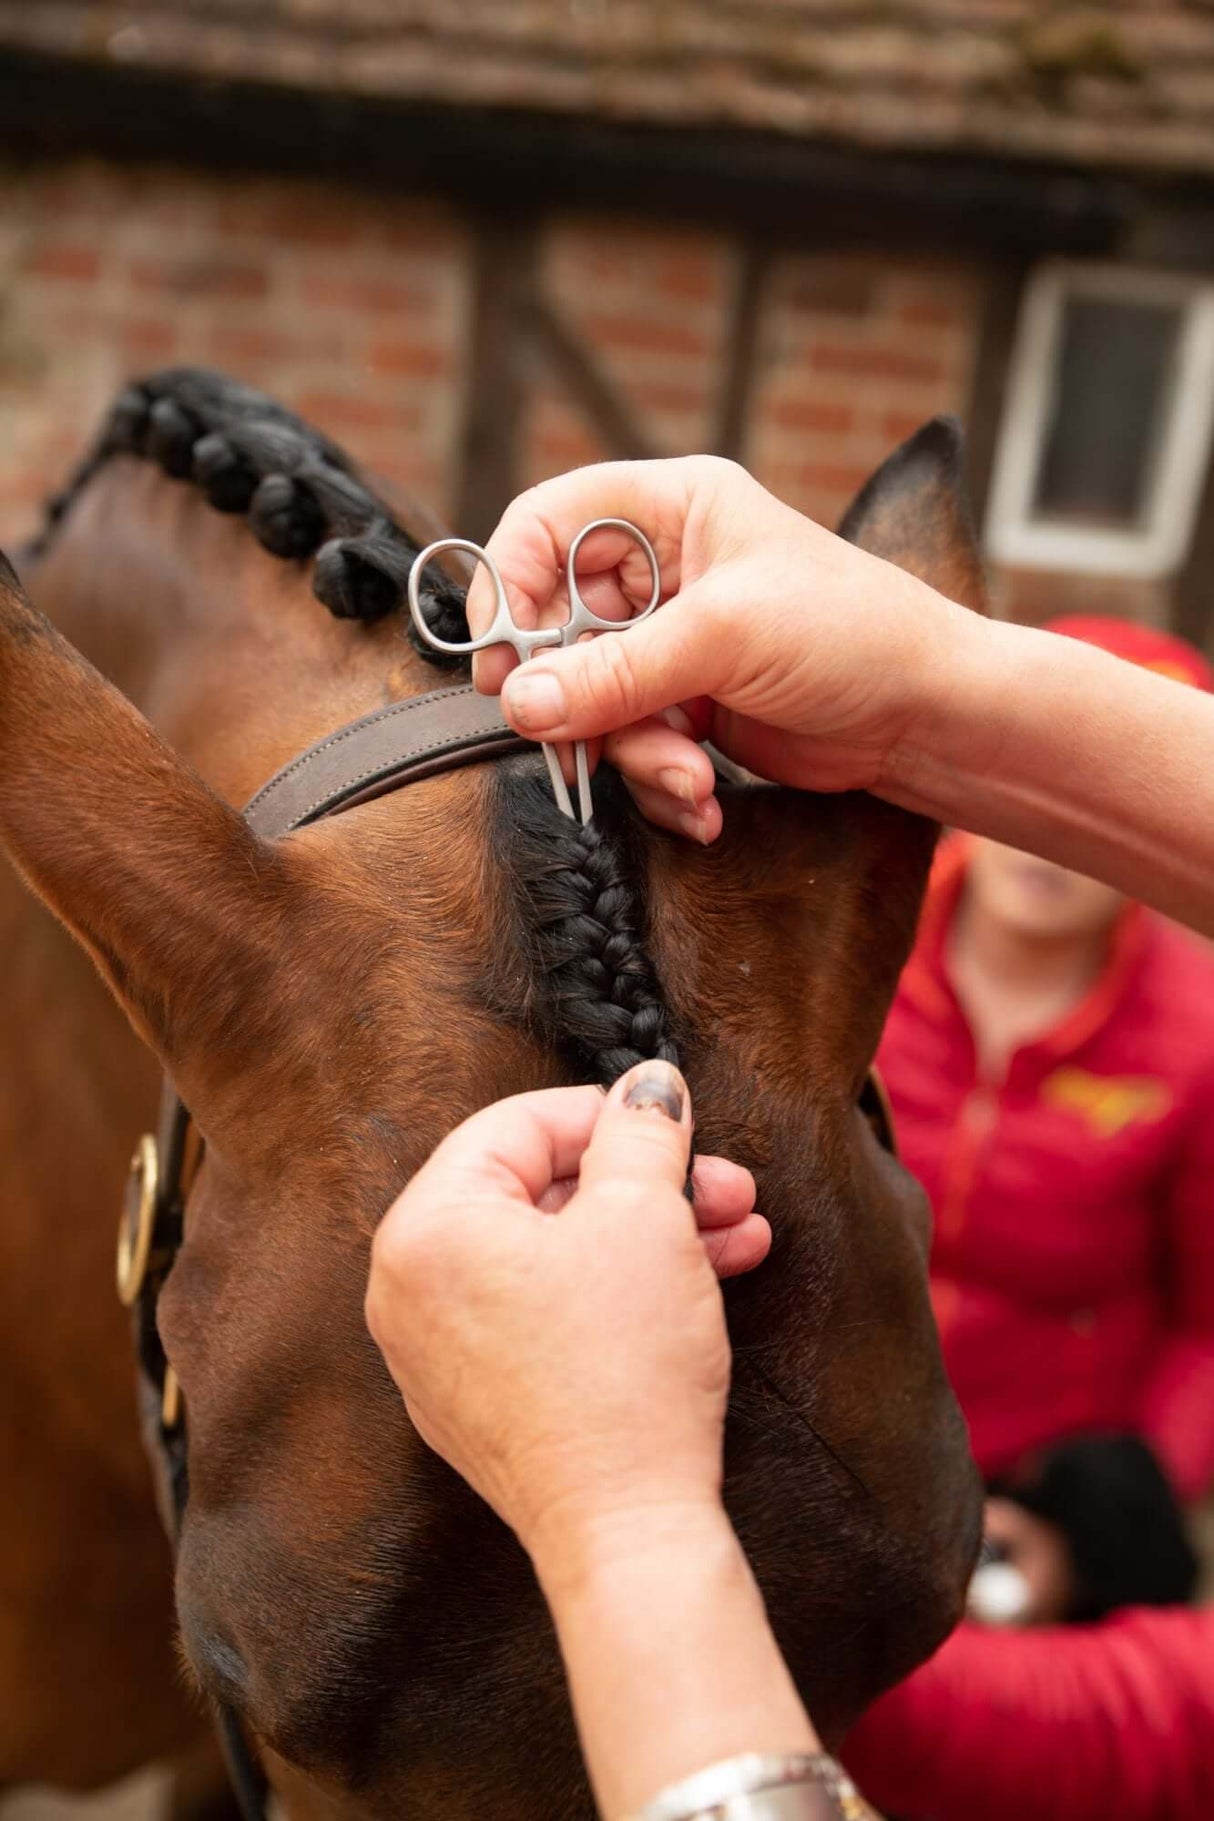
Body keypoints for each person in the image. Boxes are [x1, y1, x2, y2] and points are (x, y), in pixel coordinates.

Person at [366, 456, 1214, 1821]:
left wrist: (620, 1519)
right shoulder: (857, 959)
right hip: (852, 1465)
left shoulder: (1193, 1040)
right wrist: (930, 690)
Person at [877, 617, 1214, 1624]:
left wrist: (1104, 1508)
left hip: (1025, 1513)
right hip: (804, 1448)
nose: (1049, 837)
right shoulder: (842, 943)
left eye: (1101, 802)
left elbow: (1206, 1330)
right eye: (1030, 779)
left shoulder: (1196, 1038)